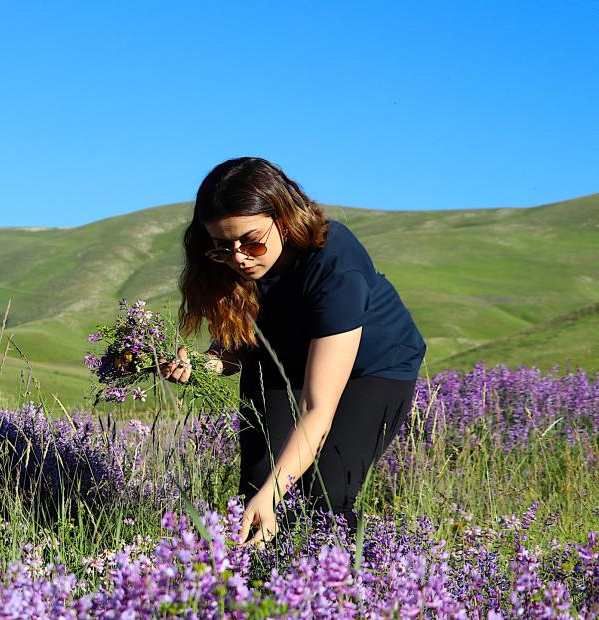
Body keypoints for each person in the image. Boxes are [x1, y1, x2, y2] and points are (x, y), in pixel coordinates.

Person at [159, 157, 425, 548]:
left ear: (282, 218)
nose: (239, 258)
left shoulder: (334, 263)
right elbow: (236, 347)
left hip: (373, 368)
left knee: (326, 495)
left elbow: (318, 408)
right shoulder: (226, 261)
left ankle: (342, 592)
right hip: (282, 359)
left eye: (251, 241)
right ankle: (258, 594)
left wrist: (272, 495)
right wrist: (204, 364)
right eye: (222, 246)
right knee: (258, 480)